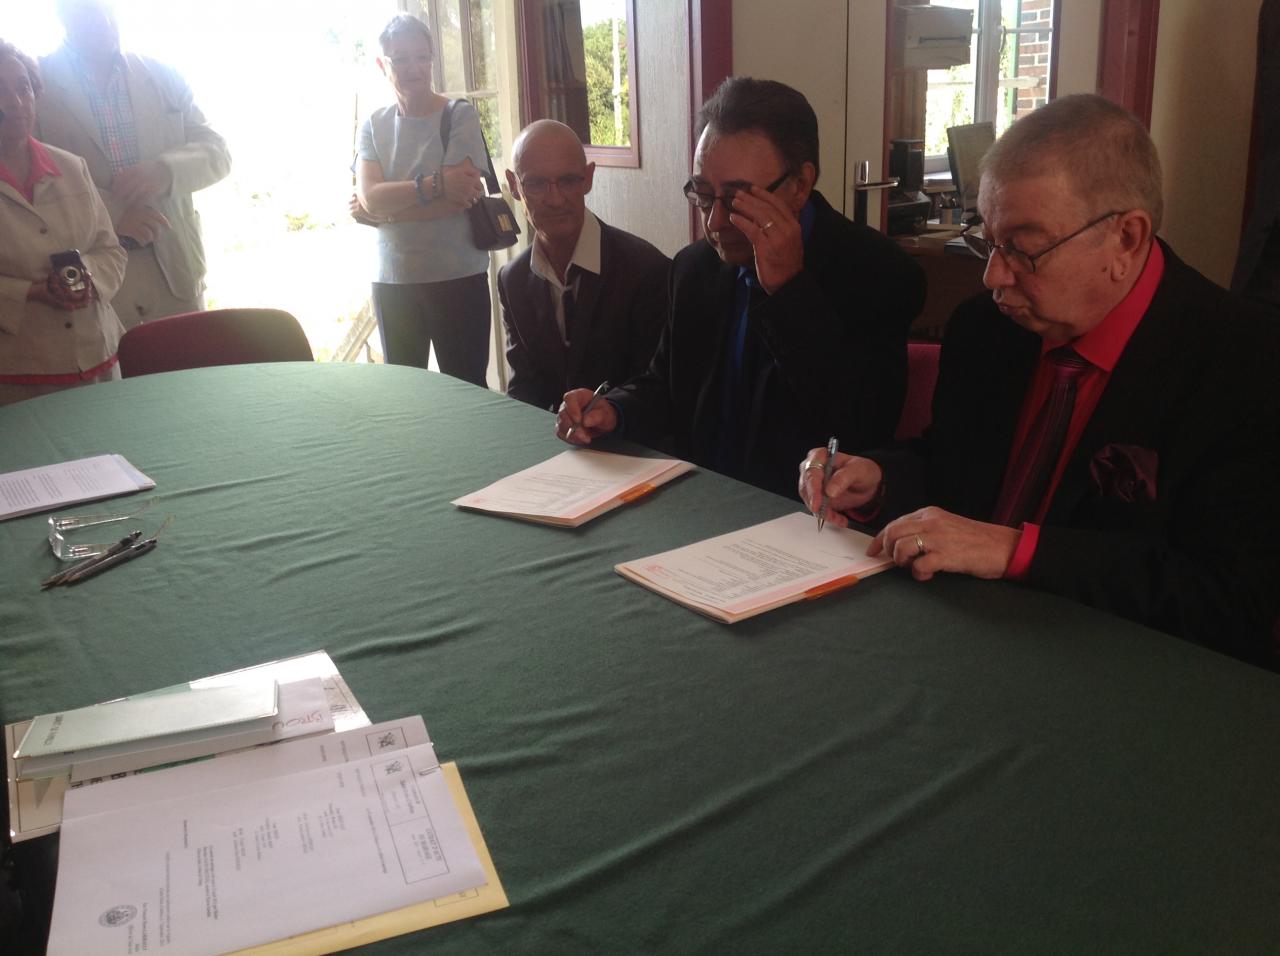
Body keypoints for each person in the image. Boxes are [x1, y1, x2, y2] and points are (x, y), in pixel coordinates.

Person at [799, 94, 1280, 668]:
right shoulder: (987, 328)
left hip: (1123, 669)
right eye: (989, 240)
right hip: (963, 637)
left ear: (1126, 238)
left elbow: (1231, 599)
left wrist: (1017, 551)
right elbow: (954, 467)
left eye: (1024, 250)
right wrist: (880, 481)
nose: (993, 275)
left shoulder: (1247, 363)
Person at [555, 77, 925, 499]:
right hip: (698, 499)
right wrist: (614, 409)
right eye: (702, 194)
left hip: (802, 515)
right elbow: (666, 387)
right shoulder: (694, 268)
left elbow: (858, 428)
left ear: (800, 185)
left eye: (736, 200)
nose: (714, 222)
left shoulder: (879, 272)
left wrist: (788, 290)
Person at [36, 0, 230, 329]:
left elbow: (218, 151)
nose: (104, 19)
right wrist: (111, 215)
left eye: (109, 7)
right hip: (96, 276)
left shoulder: (162, 74)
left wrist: (166, 170)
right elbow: (31, 180)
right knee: (120, 364)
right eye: (88, 8)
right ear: (61, 11)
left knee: (190, 361)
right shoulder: (34, 84)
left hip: (176, 272)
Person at [353, 14, 490, 386]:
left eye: (422, 57)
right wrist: (435, 184)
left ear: (432, 59)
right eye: (401, 59)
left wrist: (386, 213)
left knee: (467, 391)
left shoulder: (459, 115)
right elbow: (369, 196)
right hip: (392, 280)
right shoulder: (373, 125)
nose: (414, 67)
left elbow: (459, 198)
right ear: (382, 64)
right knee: (405, 393)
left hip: (457, 277)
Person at [499, 119, 669, 411]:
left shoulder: (646, 270)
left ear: (588, 178)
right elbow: (524, 388)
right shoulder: (512, 279)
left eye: (567, 181)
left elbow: (658, 387)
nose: (555, 199)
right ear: (514, 185)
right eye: (536, 183)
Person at [0, 40, 125, 406]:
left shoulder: (72, 166)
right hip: (17, 379)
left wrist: (85, 275)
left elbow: (111, 251)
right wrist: (31, 292)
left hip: (101, 361)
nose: (16, 103)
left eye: (23, 87)